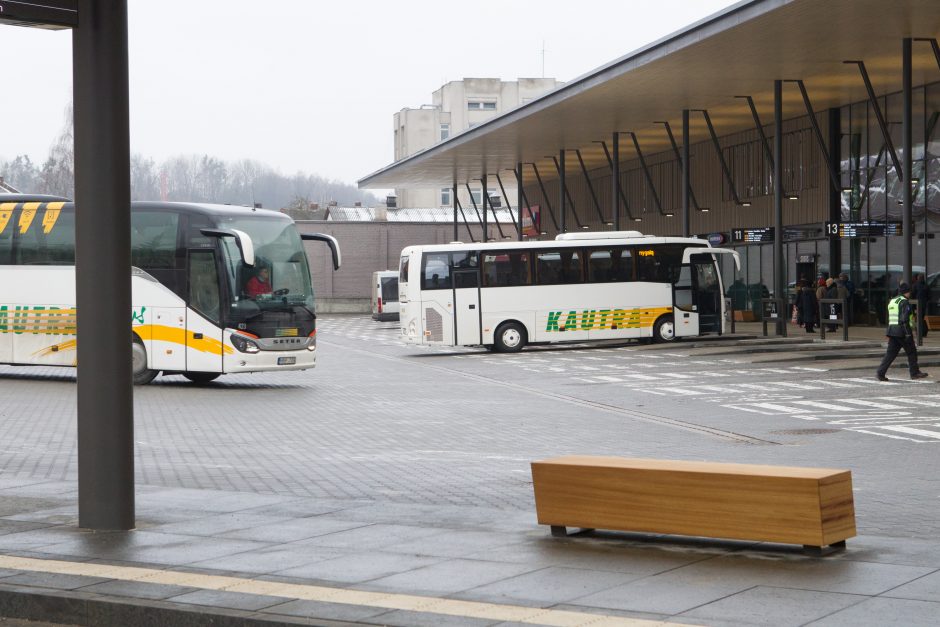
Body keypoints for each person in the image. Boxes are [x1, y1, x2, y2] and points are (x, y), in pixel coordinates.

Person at [876, 282, 929, 381]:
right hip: (902, 332)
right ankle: (914, 373)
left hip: (892, 330)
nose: (910, 294)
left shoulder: (892, 301)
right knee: (912, 352)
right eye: (910, 292)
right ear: (907, 292)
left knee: (890, 353)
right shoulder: (904, 302)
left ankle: (880, 372)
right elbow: (904, 319)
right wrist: (908, 333)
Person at [912, 273, 929, 338]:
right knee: (921, 318)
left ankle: (918, 332)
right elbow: (929, 296)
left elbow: (913, 295)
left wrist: (913, 306)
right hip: (923, 305)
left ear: (918, 278)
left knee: (917, 319)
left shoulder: (915, 285)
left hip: (916, 305)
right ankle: (923, 332)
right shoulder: (926, 285)